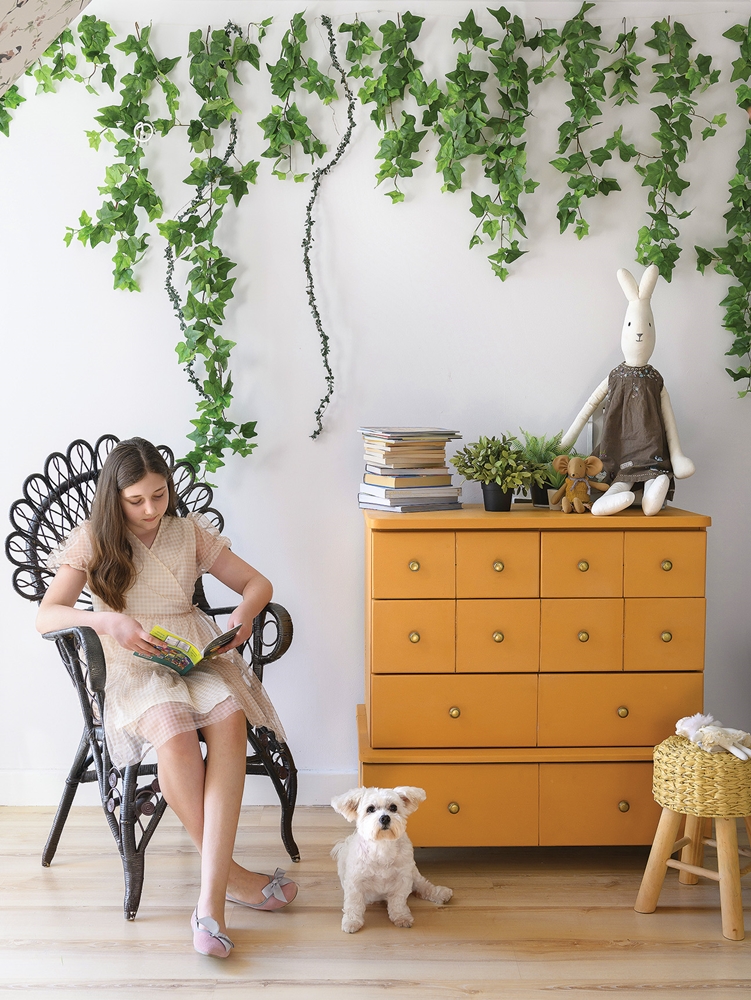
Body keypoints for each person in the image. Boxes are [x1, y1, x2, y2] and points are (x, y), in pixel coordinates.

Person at [36, 437, 297, 958]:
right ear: (114, 498)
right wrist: (105, 620)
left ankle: (213, 898)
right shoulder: (93, 539)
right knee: (175, 735)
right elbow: (47, 615)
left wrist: (243, 614)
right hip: (130, 661)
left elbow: (257, 583)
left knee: (229, 717)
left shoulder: (188, 532)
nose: (151, 509)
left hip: (192, 652)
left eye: (159, 495)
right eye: (136, 500)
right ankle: (226, 887)